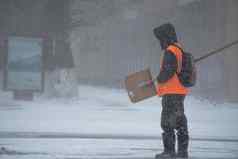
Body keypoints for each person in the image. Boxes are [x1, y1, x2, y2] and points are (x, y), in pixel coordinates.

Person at [153, 23, 190, 159]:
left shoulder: (170, 50)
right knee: (179, 121)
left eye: (160, 38)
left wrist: (159, 79)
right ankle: (182, 152)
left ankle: (169, 152)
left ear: (165, 37)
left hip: (171, 92)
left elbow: (168, 70)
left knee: (167, 122)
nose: (159, 41)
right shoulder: (178, 49)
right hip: (179, 91)